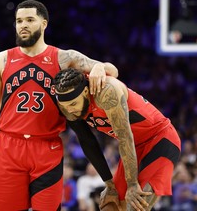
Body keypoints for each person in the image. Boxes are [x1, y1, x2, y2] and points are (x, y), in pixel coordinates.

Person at [0, 0, 118, 211]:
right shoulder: (2, 59)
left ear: (44, 23)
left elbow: (112, 70)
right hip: (9, 146)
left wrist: (100, 67)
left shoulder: (64, 58)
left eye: (30, 19)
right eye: (19, 21)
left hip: (47, 147)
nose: (23, 25)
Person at [53, 68, 181, 211]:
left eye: (73, 105)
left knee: (137, 204)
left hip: (160, 138)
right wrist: (109, 184)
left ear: (85, 92)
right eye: (64, 107)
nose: (69, 110)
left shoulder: (106, 92)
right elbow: (87, 140)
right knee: (109, 205)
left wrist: (132, 184)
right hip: (134, 145)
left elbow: (125, 137)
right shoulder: (68, 106)